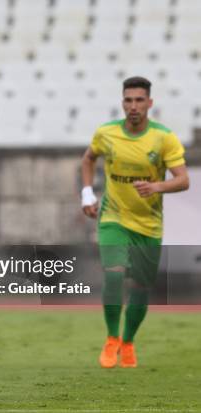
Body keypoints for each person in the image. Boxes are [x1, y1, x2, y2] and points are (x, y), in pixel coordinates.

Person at [81, 76, 189, 368]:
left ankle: (128, 342)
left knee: (141, 287)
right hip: (113, 217)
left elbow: (183, 181)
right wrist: (87, 194)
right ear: (122, 103)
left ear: (149, 103)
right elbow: (88, 159)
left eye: (139, 100)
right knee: (114, 274)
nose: (133, 106)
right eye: (128, 100)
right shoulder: (106, 133)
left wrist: (157, 187)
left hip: (149, 224)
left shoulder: (163, 138)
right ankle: (111, 338)